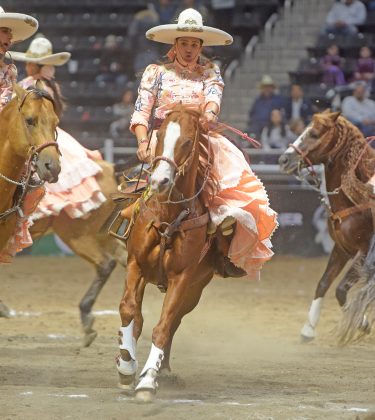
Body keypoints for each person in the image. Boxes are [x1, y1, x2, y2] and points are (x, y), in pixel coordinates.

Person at [129, 8, 278, 279]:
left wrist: (209, 114)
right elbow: (142, 110)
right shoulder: (155, 72)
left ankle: (221, 245)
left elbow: (213, 99)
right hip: (163, 137)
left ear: (201, 46)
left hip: (198, 137)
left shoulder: (210, 71)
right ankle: (128, 231)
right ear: (175, 44)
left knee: (229, 188)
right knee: (133, 192)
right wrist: (142, 140)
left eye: (194, 44)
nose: (189, 49)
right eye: (184, 43)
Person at [10, 35, 107, 221]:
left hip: (39, 132)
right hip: (51, 132)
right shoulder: (50, 85)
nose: (27, 66)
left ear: (36, 66)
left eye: (30, 63)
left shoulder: (33, 85)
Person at [0, 7, 39, 263]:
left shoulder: (11, 69)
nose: (7, 39)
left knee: (32, 180)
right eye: (3, 32)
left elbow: (8, 98)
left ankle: (10, 224)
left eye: (8, 34)